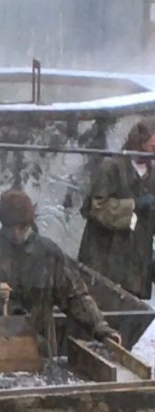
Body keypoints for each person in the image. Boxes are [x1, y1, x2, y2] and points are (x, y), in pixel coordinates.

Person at [0, 190, 123, 351]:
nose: (16, 233)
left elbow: (75, 296)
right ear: (3, 224)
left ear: (30, 224)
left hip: (36, 347)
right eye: (11, 228)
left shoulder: (48, 254)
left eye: (22, 227)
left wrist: (101, 329)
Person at [78, 118, 155, 298]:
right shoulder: (112, 168)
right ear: (139, 142)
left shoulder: (153, 177)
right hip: (104, 265)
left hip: (135, 272)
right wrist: (134, 205)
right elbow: (95, 207)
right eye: (153, 146)